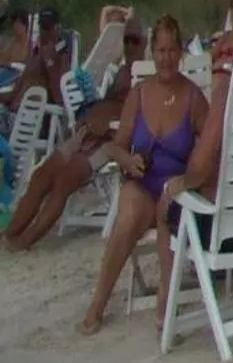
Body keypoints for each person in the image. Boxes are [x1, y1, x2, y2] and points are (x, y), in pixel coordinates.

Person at [76, 16, 211, 334]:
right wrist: (129, 159)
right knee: (127, 218)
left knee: (166, 209)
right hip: (141, 182)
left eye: (172, 50)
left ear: (181, 53)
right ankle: (98, 303)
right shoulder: (138, 95)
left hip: (173, 189)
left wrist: (190, 178)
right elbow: (114, 147)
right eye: (160, 50)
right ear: (153, 52)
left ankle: (165, 305)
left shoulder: (194, 99)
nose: (166, 58)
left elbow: (208, 153)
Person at [3, 18, 148, 251]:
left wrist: (107, 123)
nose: (130, 46)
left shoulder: (145, 76)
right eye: (127, 40)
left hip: (109, 142)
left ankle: (25, 241)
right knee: (41, 174)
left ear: (145, 42)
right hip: (87, 133)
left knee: (64, 181)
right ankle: (9, 233)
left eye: (135, 41)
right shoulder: (123, 70)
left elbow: (140, 119)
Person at [5, 7, 67, 109]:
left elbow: (60, 95)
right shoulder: (36, 51)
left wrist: (49, 63)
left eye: (47, 27)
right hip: (16, 108)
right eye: (42, 26)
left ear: (57, 28)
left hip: (32, 113)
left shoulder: (60, 52)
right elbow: (16, 89)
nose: (43, 31)